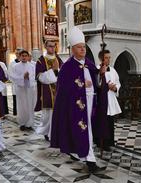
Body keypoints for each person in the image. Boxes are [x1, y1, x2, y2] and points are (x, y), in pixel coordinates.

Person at [51, 26, 106, 173]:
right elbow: (64, 89)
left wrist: (100, 73)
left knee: (88, 132)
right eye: (79, 47)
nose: (83, 49)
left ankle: (86, 156)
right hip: (76, 108)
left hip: (91, 103)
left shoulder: (88, 62)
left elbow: (95, 76)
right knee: (84, 132)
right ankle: (90, 161)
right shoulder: (67, 67)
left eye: (84, 47)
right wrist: (82, 85)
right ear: (72, 49)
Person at [35, 40, 63, 141]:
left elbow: (64, 74)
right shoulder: (41, 60)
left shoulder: (59, 59)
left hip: (58, 90)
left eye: (54, 46)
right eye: (50, 46)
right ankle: (47, 132)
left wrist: (58, 72)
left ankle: (55, 133)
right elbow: (40, 77)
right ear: (45, 47)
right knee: (47, 116)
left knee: (57, 113)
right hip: (46, 91)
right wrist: (54, 71)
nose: (52, 48)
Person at [95, 49, 122, 151]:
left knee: (110, 121)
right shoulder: (97, 69)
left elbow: (118, 82)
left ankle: (110, 141)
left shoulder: (113, 70)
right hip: (102, 100)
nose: (108, 59)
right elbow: (97, 83)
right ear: (101, 58)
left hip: (110, 98)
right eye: (106, 57)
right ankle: (101, 142)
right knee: (102, 121)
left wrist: (115, 88)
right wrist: (106, 86)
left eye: (109, 57)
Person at [11, 50, 37, 131]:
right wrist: (23, 77)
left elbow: (34, 76)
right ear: (19, 57)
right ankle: (22, 123)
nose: (24, 57)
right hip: (20, 88)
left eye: (26, 55)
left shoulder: (32, 66)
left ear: (28, 56)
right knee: (21, 106)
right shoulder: (15, 66)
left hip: (30, 88)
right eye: (22, 56)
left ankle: (29, 123)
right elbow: (13, 77)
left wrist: (29, 78)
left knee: (30, 105)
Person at [8, 48, 23, 116]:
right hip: (16, 85)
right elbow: (10, 74)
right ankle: (16, 114)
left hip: (24, 85)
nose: (18, 55)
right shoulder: (12, 64)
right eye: (16, 53)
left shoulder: (25, 62)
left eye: (19, 53)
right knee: (16, 100)